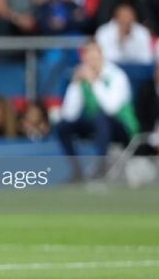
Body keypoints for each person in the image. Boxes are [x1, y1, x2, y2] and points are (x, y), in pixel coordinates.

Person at [57, 40, 138, 180]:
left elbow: (111, 109)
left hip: (121, 127)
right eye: (87, 56)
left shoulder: (116, 75)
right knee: (62, 127)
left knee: (102, 118)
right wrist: (75, 84)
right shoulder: (82, 78)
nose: (91, 60)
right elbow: (68, 115)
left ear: (101, 55)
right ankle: (77, 172)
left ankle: (101, 168)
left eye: (94, 55)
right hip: (96, 124)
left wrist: (94, 81)